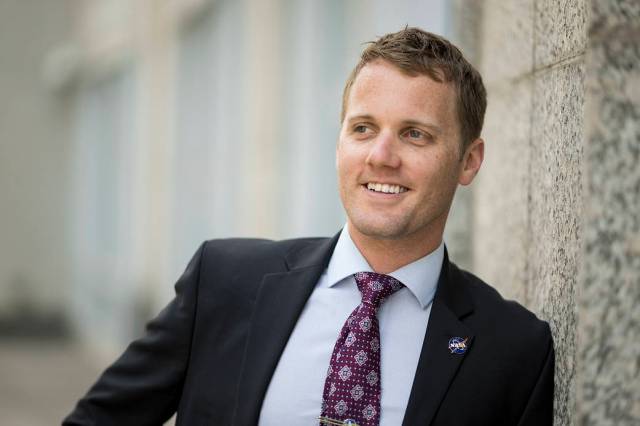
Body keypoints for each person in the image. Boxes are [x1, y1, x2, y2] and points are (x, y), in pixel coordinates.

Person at [64, 27, 554, 426]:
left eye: (415, 134)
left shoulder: (512, 349)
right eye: (363, 128)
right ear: (340, 142)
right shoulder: (224, 282)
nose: (381, 157)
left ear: (469, 162)